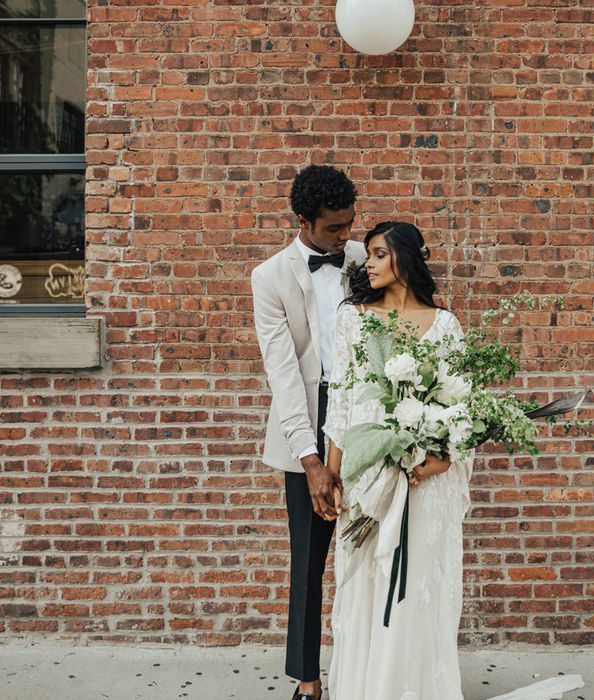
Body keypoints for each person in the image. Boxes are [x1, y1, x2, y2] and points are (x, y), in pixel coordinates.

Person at [323, 221, 474, 699]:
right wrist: (334, 471)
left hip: (426, 480)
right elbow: (342, 402)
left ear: (405, 258)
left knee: (419, 581)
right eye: (368, 254)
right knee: (370, 579)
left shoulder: (445, 325)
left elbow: (462, 406)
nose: (368, 263)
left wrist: (443, 460)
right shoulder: (354, 319)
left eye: (378, 253)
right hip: (369, 474)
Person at [250, 164, 367, 700]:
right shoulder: (269, 277)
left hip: (366, 408)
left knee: (372, 542)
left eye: (349, 225)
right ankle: (307, 678)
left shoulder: (366, 259)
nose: (346, 237)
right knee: (309, 555)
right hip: (306, 412)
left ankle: (369, 668)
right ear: (303, 221)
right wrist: (311, 458)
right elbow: (282, 373)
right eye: (334, 229)